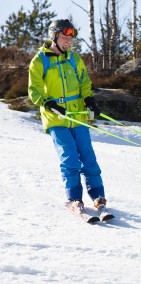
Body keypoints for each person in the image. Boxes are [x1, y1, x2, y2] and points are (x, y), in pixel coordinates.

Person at [28, 19, 107, 213]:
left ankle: (97, 195)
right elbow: (34, 89)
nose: (68, 41)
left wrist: (89, 99)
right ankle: (74, 198)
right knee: (70, 159)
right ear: (54, 36)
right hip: (56, 118)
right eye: (65, 36)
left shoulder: (74, 58)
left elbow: (84, 82)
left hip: (77, 116)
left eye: (71, 37)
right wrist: (48, 102)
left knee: (88, 158)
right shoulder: (41, 60)